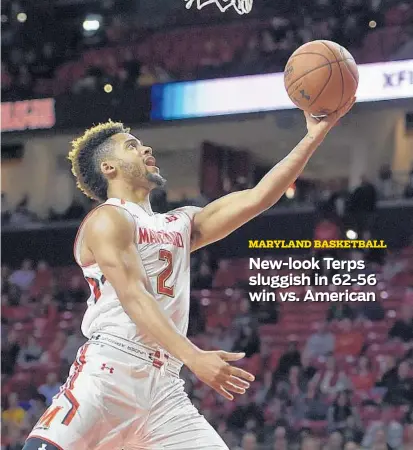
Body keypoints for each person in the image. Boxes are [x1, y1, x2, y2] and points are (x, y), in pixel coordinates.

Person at [23, 100, 354, 450]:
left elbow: (257, 197)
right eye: (131, 145)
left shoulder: (179, 223)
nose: (145, 147)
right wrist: (194, 356)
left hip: (165, 387)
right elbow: (135, 296)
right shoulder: (108, 219)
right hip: (111, 372)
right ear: (109, 167)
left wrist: (314, 136)